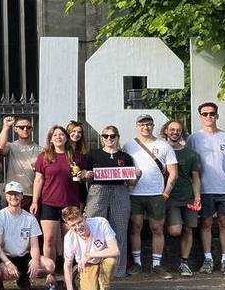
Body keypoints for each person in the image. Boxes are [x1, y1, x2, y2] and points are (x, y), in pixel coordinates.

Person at [187, 103, 225, 275]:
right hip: (204, 189)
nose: (209, 117)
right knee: (206, 224)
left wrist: (223, 174)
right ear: (200, 117)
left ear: (217, 116)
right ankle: (208, 259)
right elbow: (189, 163)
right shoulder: (194, 138)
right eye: (205, 114)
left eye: (212, 114)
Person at [124, 114, 179, 277]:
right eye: (142, 124)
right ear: (137, 126)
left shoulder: (164, 145)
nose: (145, 127)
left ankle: (156, 264)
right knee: (136, 227)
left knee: (157, 229)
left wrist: (166, 194)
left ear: (153, 126)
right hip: (134, 194)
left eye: (148, 124)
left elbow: (173, 173)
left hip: (156, 194)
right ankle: (137, 263)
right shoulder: (129, 145)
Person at [82, 125, 137, 278]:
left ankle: (118, 270)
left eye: (112, 136)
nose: (109, 139)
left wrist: (136, 175)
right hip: (98, 191)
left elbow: (130, 182)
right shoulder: (93, 154)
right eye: (106, 136)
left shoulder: (125, 157)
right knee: (92, 227)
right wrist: (87, 174)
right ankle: (92, 266)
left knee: (119, 230)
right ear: (102, 138)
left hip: (120, 191)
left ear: (117, 137)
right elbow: (87, 175)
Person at [30, 125, 85, 265]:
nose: (58, 137)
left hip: (70, 203)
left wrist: (84, 175)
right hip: (49, 203)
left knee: (71, 238)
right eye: (55, 135)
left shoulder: (75, 156)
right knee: (49, 239)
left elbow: (83, 176)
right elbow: (38, 179)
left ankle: (72, 271)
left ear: (66, 137)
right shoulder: (44, 157)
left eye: (61, 134)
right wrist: (35, 201)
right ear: (51, 139)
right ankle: (50, 272)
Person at [0, 181, 54, 290]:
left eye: (17, 194)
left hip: (24, 255)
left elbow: (34, 245)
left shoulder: (30, 218)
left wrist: (34, 260)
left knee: (50, 265)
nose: (13, 197)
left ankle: (24, 279)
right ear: (6, 196)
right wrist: (8, 263)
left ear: (22, 196)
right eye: (10, 194)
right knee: (4, 272)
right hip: (5, 256)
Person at [161, 120, 202, 276]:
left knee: (188, 229)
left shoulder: (191, 154)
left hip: (188, 197)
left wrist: (197, 197)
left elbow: (196, 177)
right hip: (170, 197)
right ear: (166, 131)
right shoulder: (160, 150)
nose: (175, 132)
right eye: (172, 129)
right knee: (175, 230)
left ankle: (184, 263)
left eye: (178, 130)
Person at [61, 206, 119, 290]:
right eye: (73, 225)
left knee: (111, 260)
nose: (78, 227)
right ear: (67, 226)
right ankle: (77, 278)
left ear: (84, 218)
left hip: (102, 259)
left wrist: (89, 255)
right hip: (87, 265)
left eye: (79, 222)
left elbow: (115, 250)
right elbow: (67, 264)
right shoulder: (69, 238)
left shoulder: (101, 223)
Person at [0, 115, 40, 210]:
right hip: (13, 194)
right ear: (16, 129)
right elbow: (0, 147)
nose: (25, 129)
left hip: (32, 195)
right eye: (21, 127)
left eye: (28, 127)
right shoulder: (11, 146)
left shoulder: (40, 150)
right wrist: (6, 127)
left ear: (32, 129)